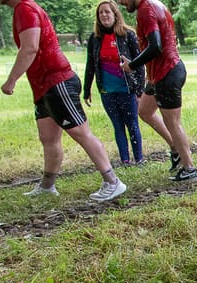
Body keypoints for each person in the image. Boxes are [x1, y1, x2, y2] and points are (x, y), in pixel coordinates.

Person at [0, 0, 126, 201]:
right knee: (48, 137)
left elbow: (30, 48)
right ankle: (47, 186)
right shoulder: (24, 9)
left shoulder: (25, 8)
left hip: (57, 82)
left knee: (81, 133)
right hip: (43, 86)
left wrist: (11, 80)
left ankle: (112, 182)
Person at [116, 0, 197, 182]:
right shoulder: (154, 5)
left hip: (168, 72)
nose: (121, 3)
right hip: (158, 74)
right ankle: (175, 148)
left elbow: (156, 46)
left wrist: (132, 65)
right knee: (144, 111)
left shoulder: (146, 10)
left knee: (173, 123)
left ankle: (190, 169)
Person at [84, 0, 146, 165]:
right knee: (118, 126)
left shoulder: (127, 35)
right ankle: (125, 160)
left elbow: (139, 64)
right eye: (101, 13)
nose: (104, 15)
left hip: (127, 89)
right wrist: (86, 89)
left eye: (107, 12)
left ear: (115, 14)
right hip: (107, 91)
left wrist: (140, 90)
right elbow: (90, 65)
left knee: (132, 124)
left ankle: (139, 159)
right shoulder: (95, 39)